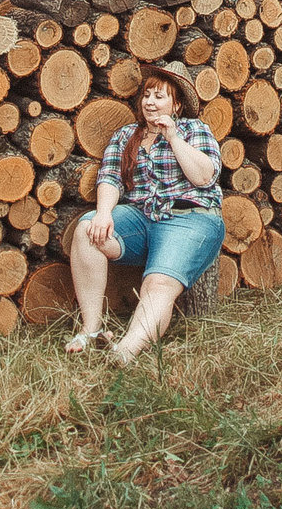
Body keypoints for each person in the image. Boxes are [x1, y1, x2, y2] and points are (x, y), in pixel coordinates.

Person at [64, 62, 224, 365]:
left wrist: (173, 138)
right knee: (87, 231)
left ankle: (124, 352)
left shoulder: (194, 130)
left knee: (159, 284)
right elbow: (110, 177)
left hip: (191, 219)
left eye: (160, 96)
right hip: (143, 217)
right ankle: (91, 331)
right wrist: (103, 214)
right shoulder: (127, 135)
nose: (150, 102)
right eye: (147, 95)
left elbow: (204, 177)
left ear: (176, 104)